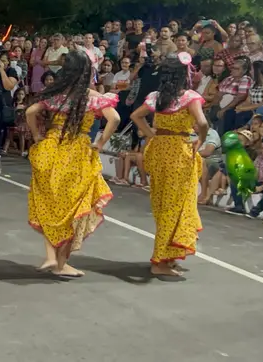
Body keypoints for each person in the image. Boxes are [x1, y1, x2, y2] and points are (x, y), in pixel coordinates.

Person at [25, 49, 120, 278]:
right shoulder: (91, 97)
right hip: (77, 153)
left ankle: (51, 257)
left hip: (51, 149)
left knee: (49, 203)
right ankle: (61, 262)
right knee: (74, 208)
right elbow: (114, 119)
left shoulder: (56, 95)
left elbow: (30, 111)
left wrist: (38, 135)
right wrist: (100, 143)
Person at [130, 53, 208, 277]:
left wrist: (151, 136)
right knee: (176, 206)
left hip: (159, 151)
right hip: (179, 153)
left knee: (164, 205)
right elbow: (202, 123)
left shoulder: (156, 96)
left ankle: (169, 255)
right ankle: (160, 261)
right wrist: (201, 139)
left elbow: (136, 115)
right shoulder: (190, 97)